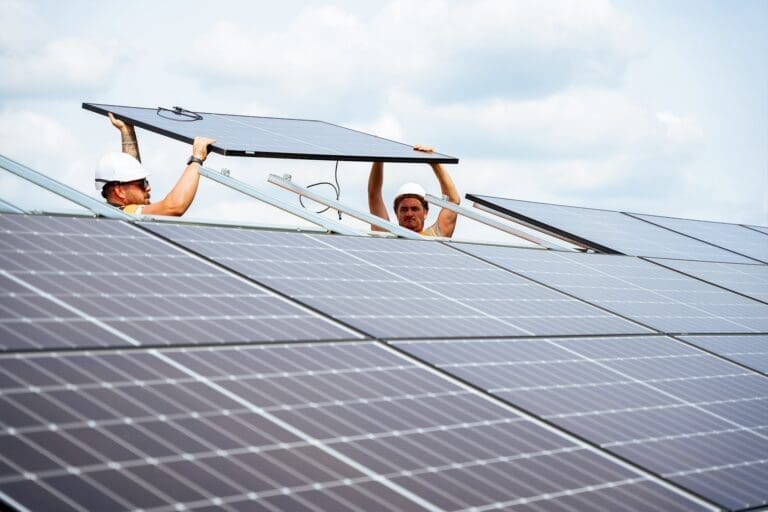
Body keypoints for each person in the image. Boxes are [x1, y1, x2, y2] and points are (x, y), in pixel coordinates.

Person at [95, 113, 216, 216]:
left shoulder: (109, 211)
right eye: (142, 184)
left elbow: (130, 174)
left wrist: (127, 132)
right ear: (119, 191)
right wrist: (197, 159)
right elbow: (174, 206)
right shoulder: (125, 214)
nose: (148, 187)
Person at [367, 145, 460, 237]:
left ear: (425, 212)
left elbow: (453, 201)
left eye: (415, 209)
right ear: (396, 213)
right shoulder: (387, 237)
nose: (409, 214)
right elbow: (374, 195)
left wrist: (435, 164)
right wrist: (379, 158)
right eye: (404, 209)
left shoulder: (434, 236)